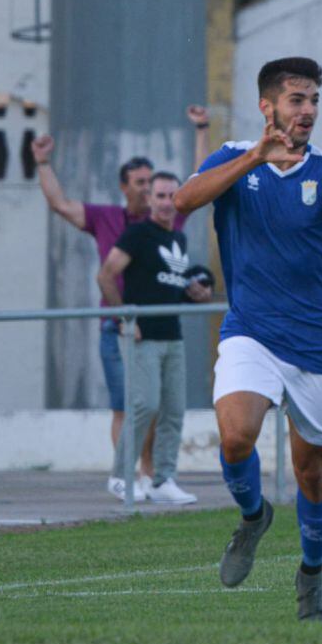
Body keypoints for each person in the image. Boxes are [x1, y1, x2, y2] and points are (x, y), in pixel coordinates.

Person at [173, 57, 322, 621]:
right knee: (235, 437)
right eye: (297, 100)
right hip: (250, 332)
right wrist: (255, 154)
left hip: (321, 347)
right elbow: (183, 202)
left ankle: (311, 574)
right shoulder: (233, 159)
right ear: (267, 106)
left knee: (312, 473)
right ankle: (253, 516)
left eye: (314, 101)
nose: (307, 111)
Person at [31, 106, 211, 501]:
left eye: (154, 184)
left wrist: (201, 130)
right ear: (124, 187)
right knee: (128, 405)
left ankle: (152, 477)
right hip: (120, 324)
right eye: (142, 184)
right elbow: (61, 205)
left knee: (160, 406)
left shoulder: (167, 223)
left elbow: (198, 186)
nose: (150, 191)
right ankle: (127, 475)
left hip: (160, 325)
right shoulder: (107, 218)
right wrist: (43, 163)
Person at [97, 172, 212, 505]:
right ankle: (120, 477)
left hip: (172, 335)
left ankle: (162, 480)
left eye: (171, 196)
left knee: (173, 410)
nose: (165, 202)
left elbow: (171, 287)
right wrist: (124, 317)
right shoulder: (137, 234)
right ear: (149, 200)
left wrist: (196, 294)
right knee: (143, 405)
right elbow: (105, 275)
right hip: (141, 337)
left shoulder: (178, 239)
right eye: (159, 196)